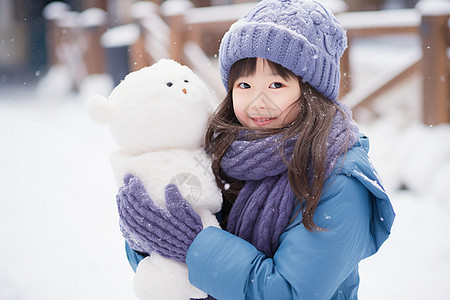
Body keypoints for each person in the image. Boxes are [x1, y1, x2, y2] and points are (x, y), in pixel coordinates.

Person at [116, 0, 395, 299]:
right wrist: (149, 232)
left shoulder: (339, 179)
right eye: (244, 85)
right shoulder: (220, 152)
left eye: (276, 85)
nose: (257, 103)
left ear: (312, 91)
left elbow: (290, 292)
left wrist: (195, 246)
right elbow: (167, 267)